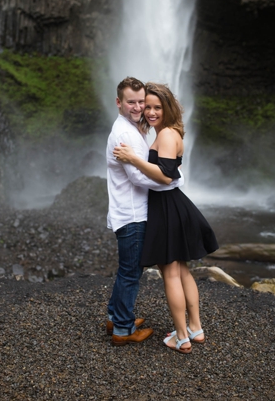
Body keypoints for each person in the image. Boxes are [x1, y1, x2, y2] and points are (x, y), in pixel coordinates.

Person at [113, 82, 219, 354]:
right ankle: (195, 328)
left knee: (170, 274)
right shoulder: (167, 134)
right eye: (146, 106)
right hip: (172, 205)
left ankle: (181, 337)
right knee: (182, 271)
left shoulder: (168, 135)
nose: (149, 112)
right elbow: (172, 171)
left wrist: (133, 159)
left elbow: (166, 175)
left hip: (166, 208)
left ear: (168, 107)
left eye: (156, 107)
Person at [105, 76, 183, 346]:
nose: (139, 108)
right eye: (132, 102)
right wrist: (172, 179)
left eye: (142, 102)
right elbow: (138, 178)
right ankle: (123, 330)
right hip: (133, 213)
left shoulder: (129, 127)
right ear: (119, 102)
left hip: (129, 210)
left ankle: (115, 316)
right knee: (131, 272)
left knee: (126, 270)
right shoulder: (126, 133)